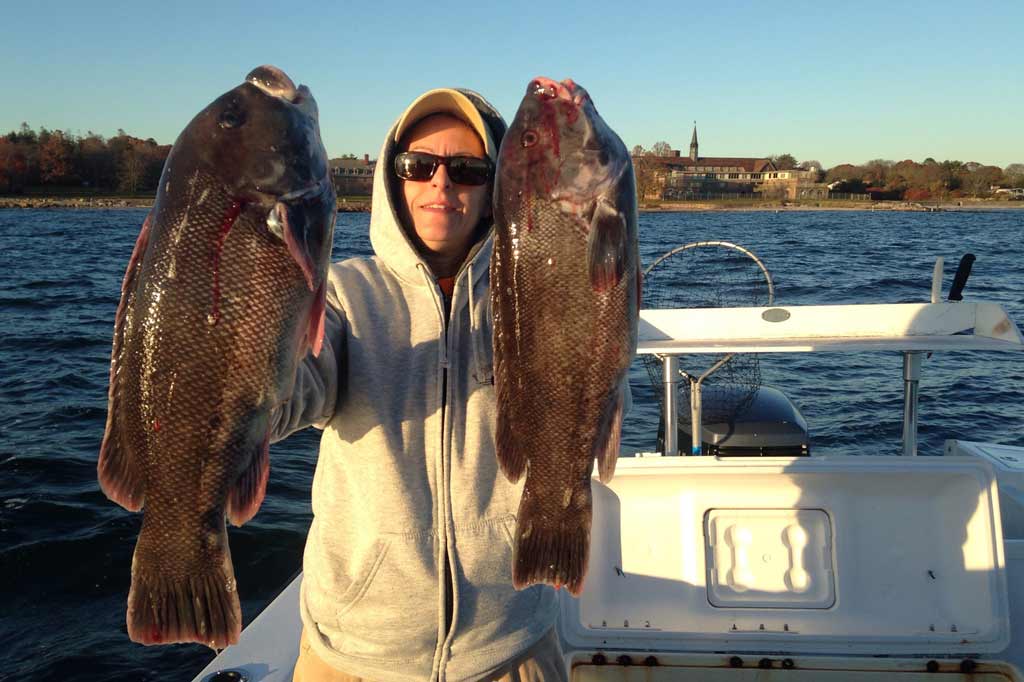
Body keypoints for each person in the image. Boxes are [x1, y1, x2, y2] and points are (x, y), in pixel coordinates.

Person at [273, 88, 567, 682]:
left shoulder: (539, 294)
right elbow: (283, 403)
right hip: (352, 655)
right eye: (419, 166)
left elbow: (595, 409)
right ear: (393, 177)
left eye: (466, 169)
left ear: (496, 188)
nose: (441, 185)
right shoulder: (342, 293)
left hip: (512, 647)